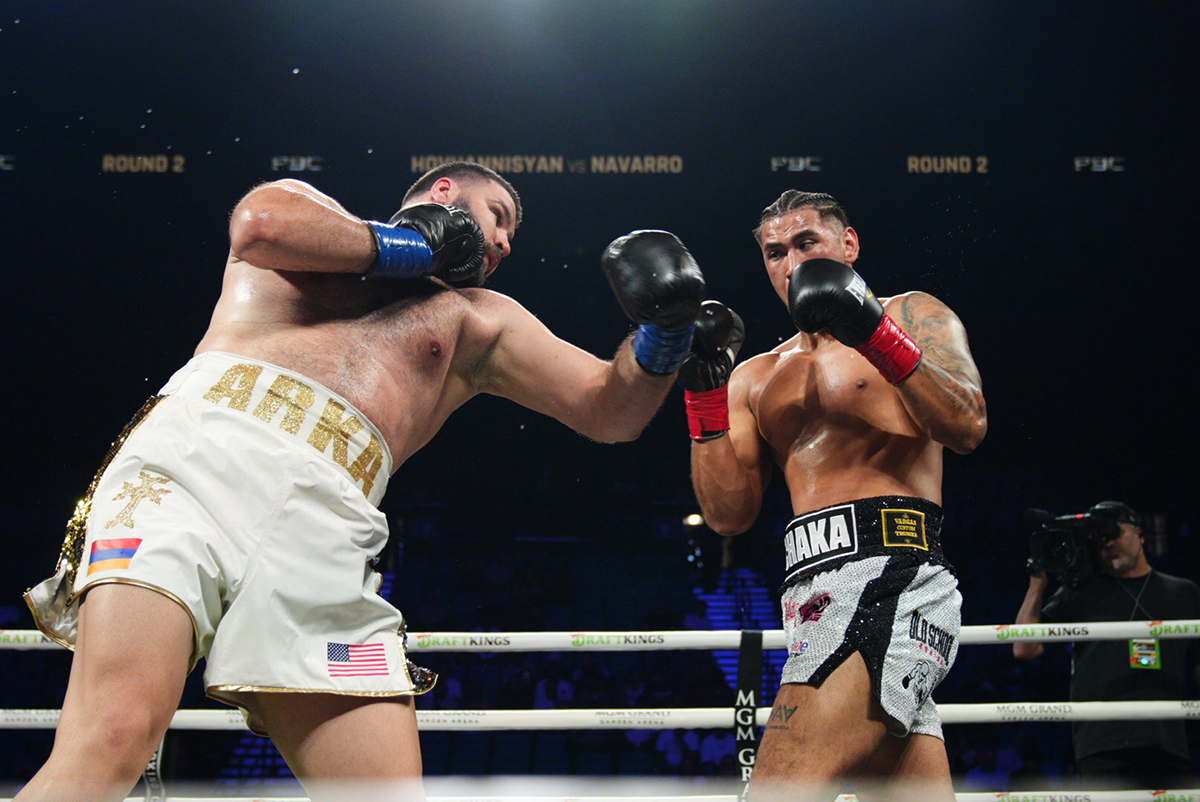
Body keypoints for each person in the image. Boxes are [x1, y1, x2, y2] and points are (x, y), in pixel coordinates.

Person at [18, 161, 706, 802]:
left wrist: (662, 339)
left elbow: (609, 412)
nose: (503, 242)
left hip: (327, 519)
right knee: (111, 738)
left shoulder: (479, 319)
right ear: (442, 195)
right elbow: (260, 225)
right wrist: (413, 249)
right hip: (192, 463)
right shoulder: (309, 221)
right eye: (497, 215)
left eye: (509, 233)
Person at [681, 190, 986, 800]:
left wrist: (874, 331)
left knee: (778, 788)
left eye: (805, 243)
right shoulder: (755, 375)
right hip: (808, 594)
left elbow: (967, 423)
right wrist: (703, 392)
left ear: (848, 246)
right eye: (774, 252)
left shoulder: (911, 312)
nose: (789, 262)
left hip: (891, 578)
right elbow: (728, 515)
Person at [1013, 500, 1200, 789]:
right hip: (1102, 743)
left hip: (1167, 740)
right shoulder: (1080, 593)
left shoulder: (1182, 593)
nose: (1108, 544)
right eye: (1099, 540)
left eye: (1114, 534)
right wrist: (1037, 584)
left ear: (1139, 533)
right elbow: (1024, 648)